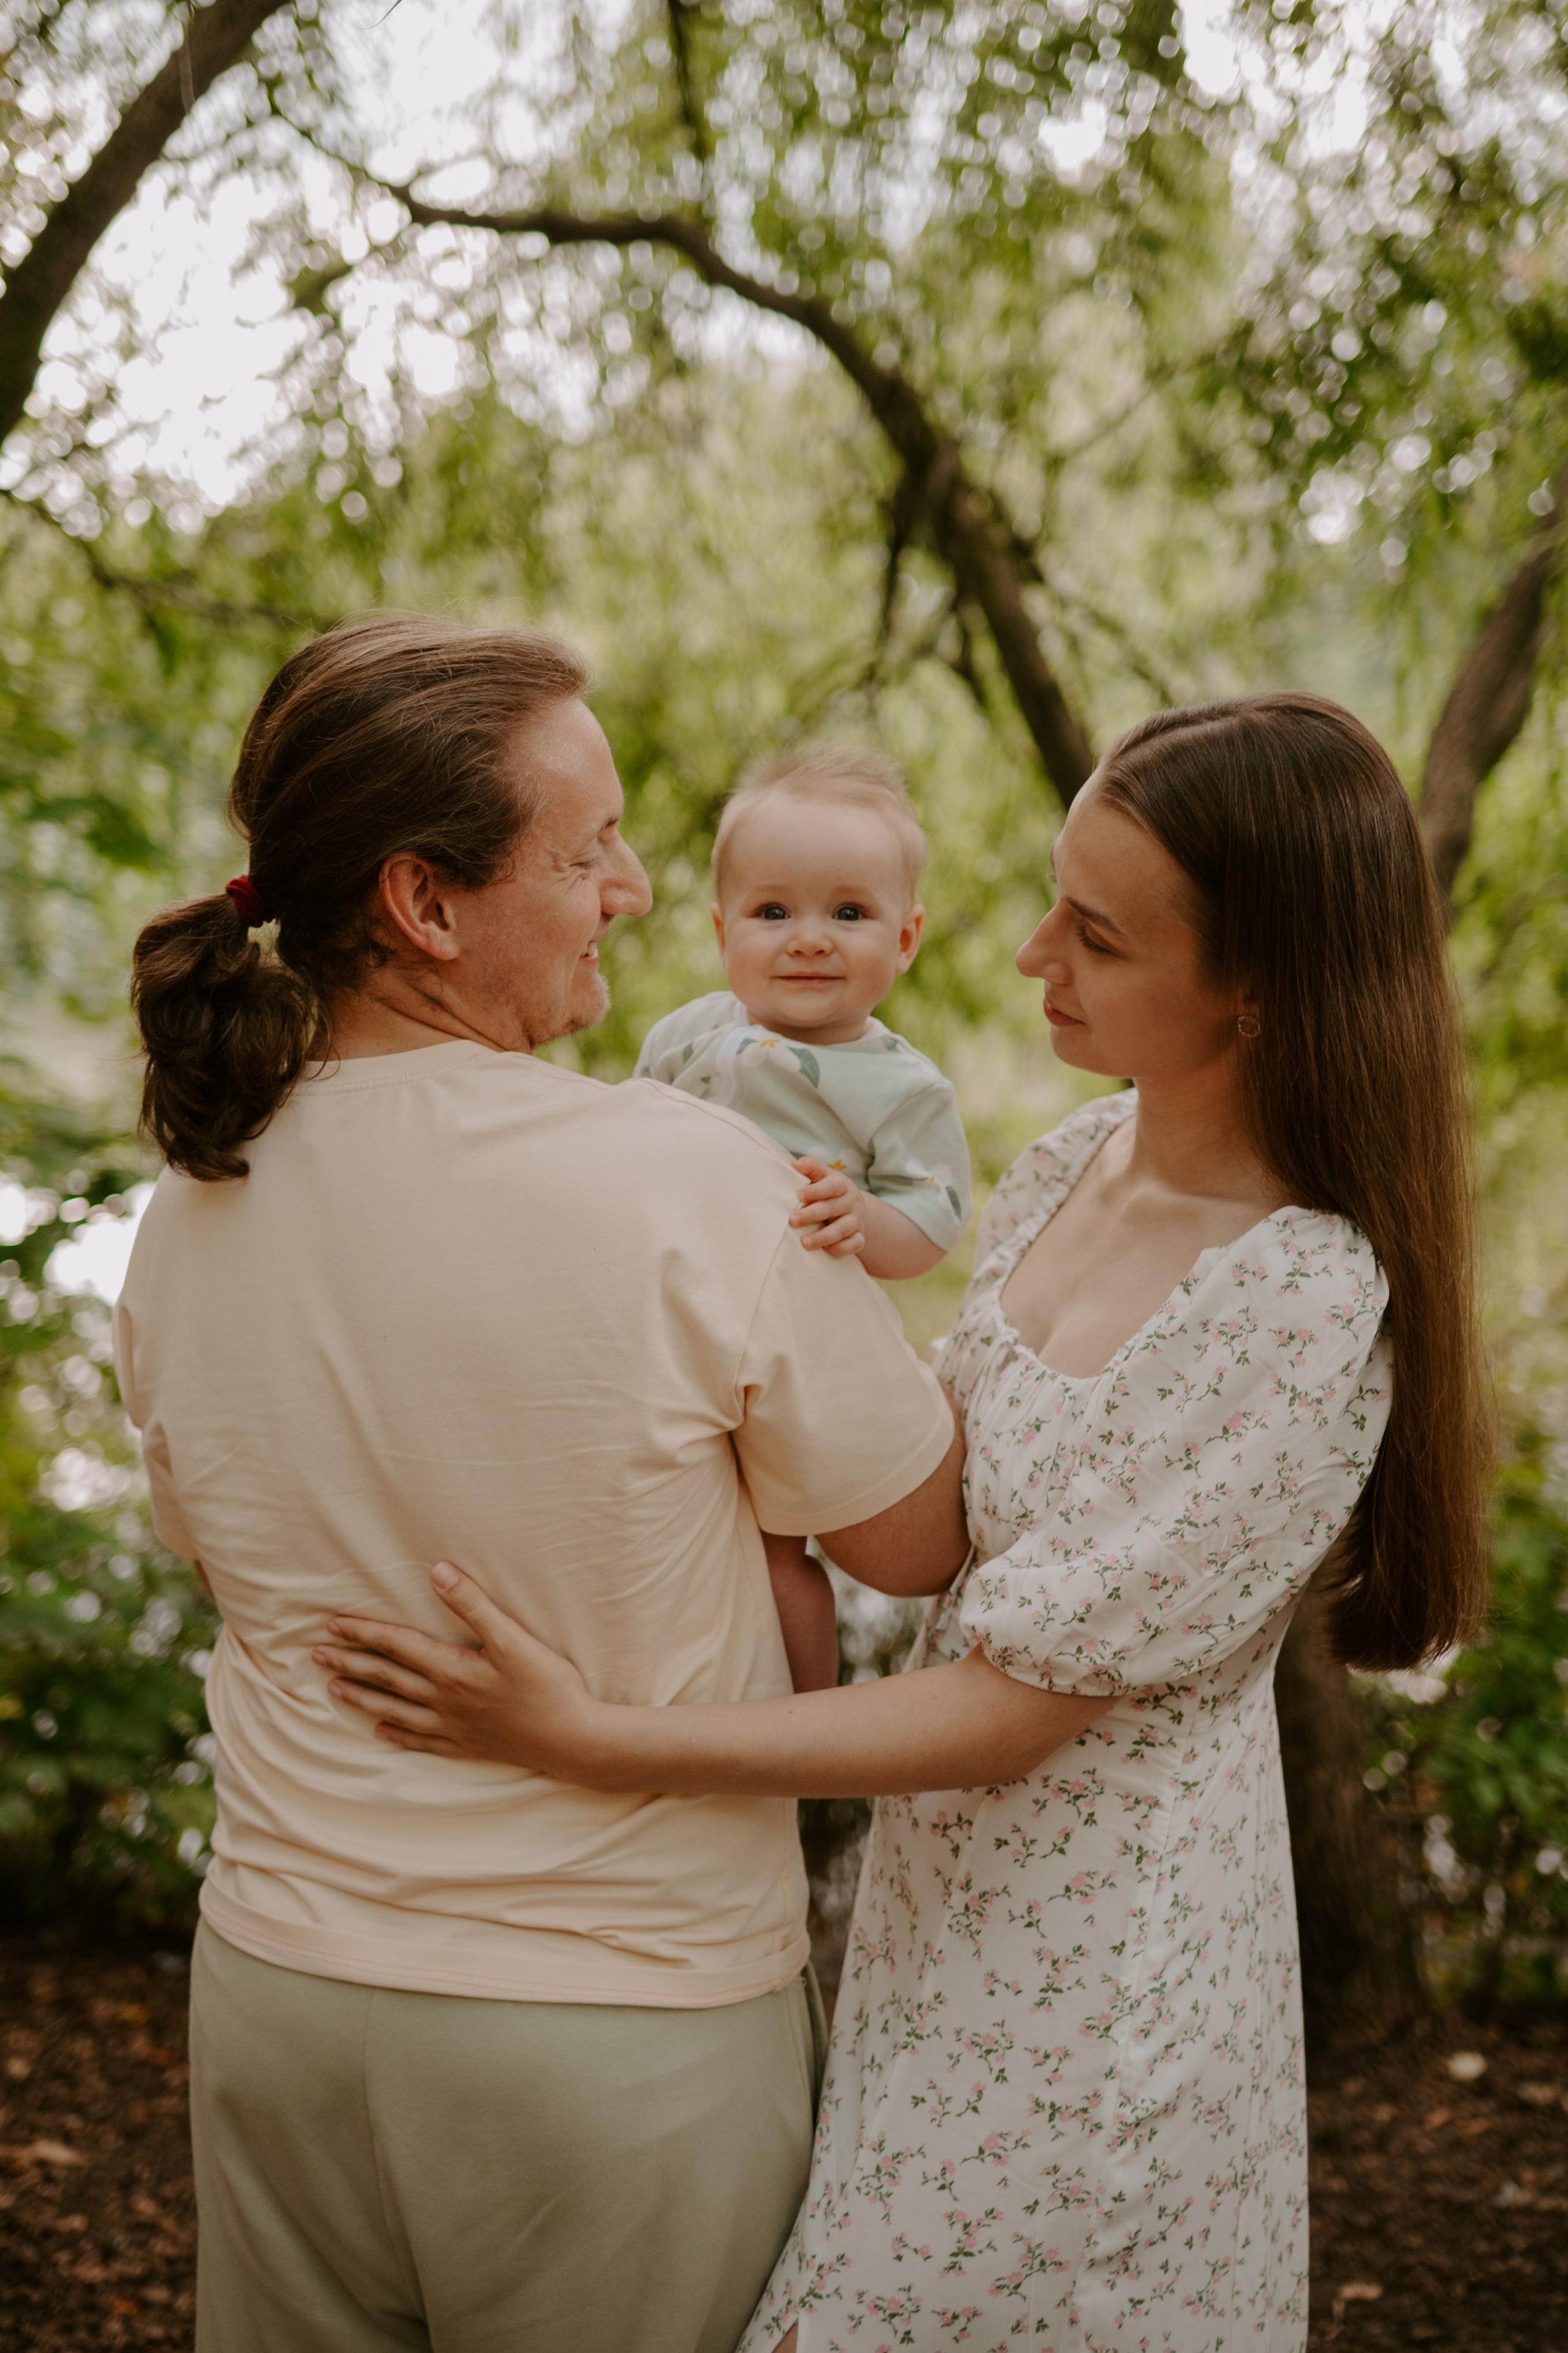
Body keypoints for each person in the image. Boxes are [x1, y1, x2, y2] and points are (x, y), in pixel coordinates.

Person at [317, 692, 1490, 2353]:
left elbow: (1012, 1710)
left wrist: (600, 1735)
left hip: (1098, 1990)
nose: (1026, 957)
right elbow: (924, 1519)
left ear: (1256, 986)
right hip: (929, 1927)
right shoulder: (1073, 1160)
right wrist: (697, 1333)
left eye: (1094, 933)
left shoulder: (1300, 1296)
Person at [112, 614, 972, 2353]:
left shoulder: (187, 1210)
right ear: (425, 904)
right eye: (588, 851)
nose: (641, 891)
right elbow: (916, 1536)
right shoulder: (692, 1177)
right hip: (618, 2031)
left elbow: (233, 1555)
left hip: (282, 1989)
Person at [636, 742, 972, 1692]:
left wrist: (863, 1215)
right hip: (678, 1324)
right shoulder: (687, 1037)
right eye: (772, 911)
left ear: (905, 941)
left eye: (849, 913)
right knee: (687, 1528)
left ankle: (800, 1735)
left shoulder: (901, 1087)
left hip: (802, 1356)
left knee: (782, 1556)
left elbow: (933, 1221)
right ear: (722, 929)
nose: (809, 937)